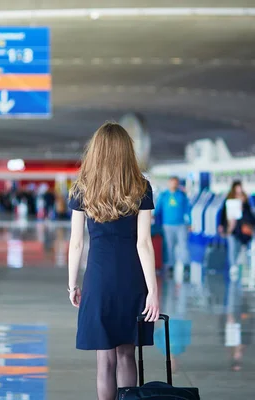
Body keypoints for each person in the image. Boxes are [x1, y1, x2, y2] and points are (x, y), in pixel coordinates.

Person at [67, 122, 160, 400]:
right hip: (132, 280)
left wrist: (73, 284)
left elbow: (76, 243)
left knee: (105, 361)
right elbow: (143, 243)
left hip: (98, 280)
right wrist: (153, 291)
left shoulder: (83, 189)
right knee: (126, 355)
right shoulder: (141, 187)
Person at [218, 181, 255, 304]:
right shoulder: (228, 201)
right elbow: (222, 214)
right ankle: (233, 266)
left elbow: (251, 216)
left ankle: (235, 265)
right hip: (231, 229)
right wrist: (221, 225)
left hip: (241, 231)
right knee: (231, 247)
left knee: (239, 248)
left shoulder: (245, 202)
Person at [155, 177, 191, 272]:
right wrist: (152, 216)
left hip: (181, 224)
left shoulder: (182, 195)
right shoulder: (163, 195)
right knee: (169, 246)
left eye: (176, 183)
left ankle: (186, 265)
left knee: (183, 245)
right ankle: (170, 265)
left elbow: (187, 209)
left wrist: (189, 223)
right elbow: (158, 209)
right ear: (168, 183)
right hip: (167, 225)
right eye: (172, 183)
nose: (174, 185)